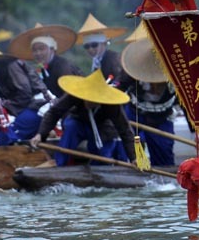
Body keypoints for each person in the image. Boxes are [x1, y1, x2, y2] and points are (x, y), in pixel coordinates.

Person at [30, 69, 136, 167]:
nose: (89, 102)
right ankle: (60, 164)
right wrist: (40, 134)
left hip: (103, 128)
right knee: (71, 126)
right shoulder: (75, 94)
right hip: (79, 122)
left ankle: (100, 169)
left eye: (93, 99)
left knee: (103, 157)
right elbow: (54, 112)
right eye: (87, 98)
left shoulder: (112, 105)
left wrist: (134, 158)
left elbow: (125, 130)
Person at [0, 35, 51, 145]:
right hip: (23, 107)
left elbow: (25, 94)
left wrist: (6, 107)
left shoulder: (10, 65)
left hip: (38, 106)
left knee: (6, 135)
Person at [76, 13, 130, 160]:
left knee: (115, 139)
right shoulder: (96, 62)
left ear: (104, 43)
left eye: (94, 45)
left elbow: (120, 80)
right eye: (87, 46)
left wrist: (110, 89)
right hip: (103, 107)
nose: (91, 49)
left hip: (118, 104)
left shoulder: (114, 58)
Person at [120, 37, 178, 166]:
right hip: (134, 115)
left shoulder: (177, 76)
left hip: (162, 119)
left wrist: (197, 132)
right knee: (126, 150)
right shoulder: (132, 71)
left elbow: (189, 104)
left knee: (164, 155)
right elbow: (117, 91)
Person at [8, 24, 81, 98]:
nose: (38, 53)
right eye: (34, 50)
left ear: (52, 49)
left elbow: (70, 95)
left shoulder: (63, 66)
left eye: (41, 49)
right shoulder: (41, 69)